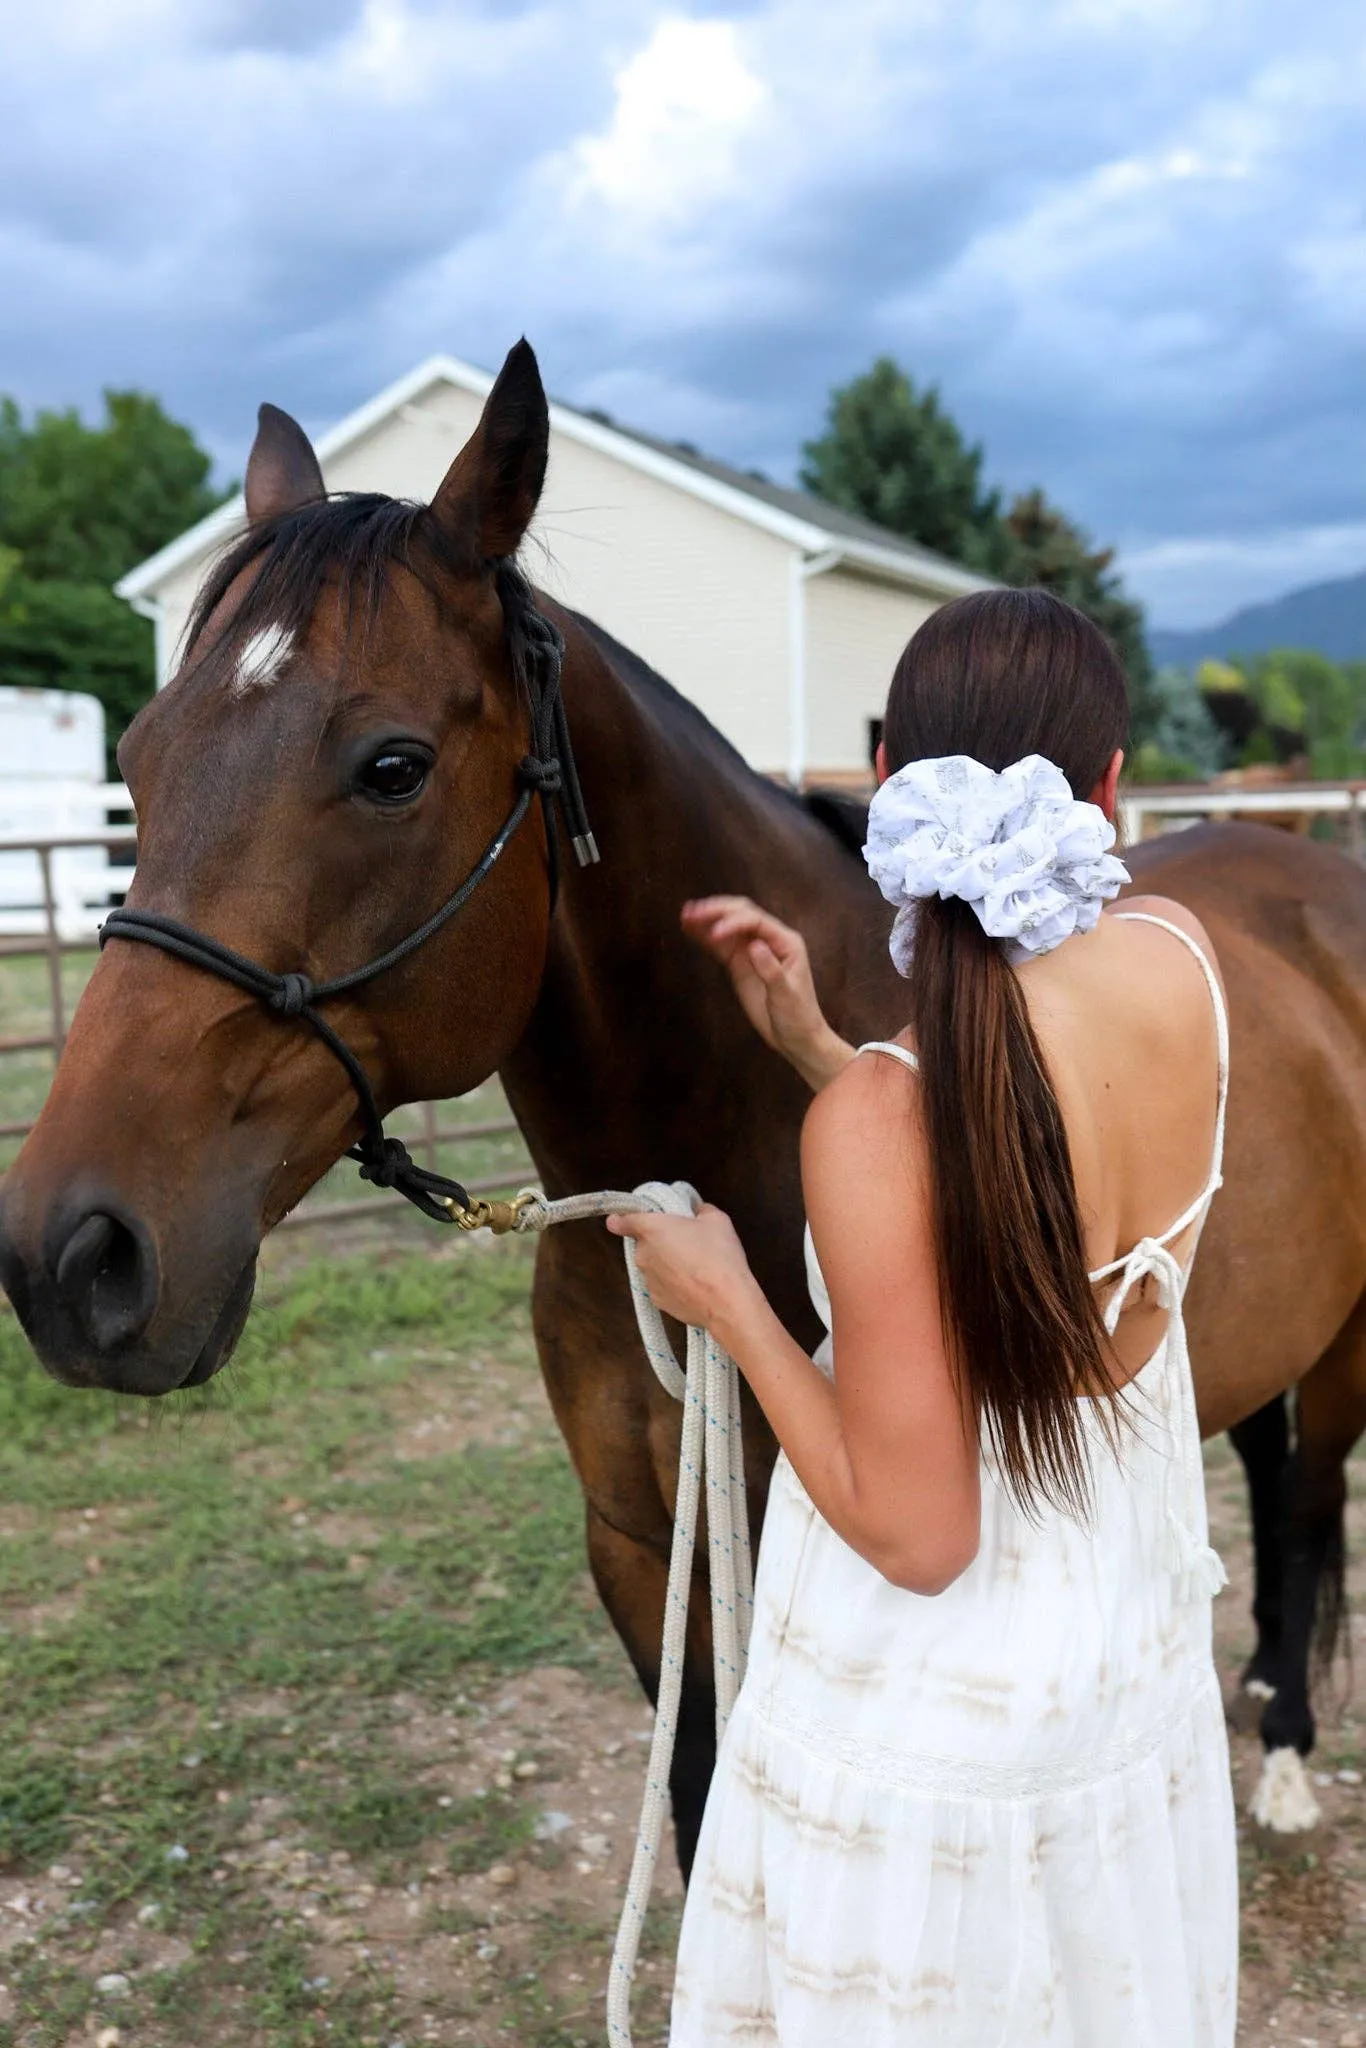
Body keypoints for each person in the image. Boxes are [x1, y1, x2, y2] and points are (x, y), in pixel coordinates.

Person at [607, 587, 1237, 2047]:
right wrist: (827, 1053)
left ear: (886, 785)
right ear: (1110, 787)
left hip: (930, 1732)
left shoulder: (894, 1114)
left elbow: (917, 1530)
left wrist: (734, 1304)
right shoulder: (1181, 965)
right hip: (1117, 1663)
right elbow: (1012, 1167)